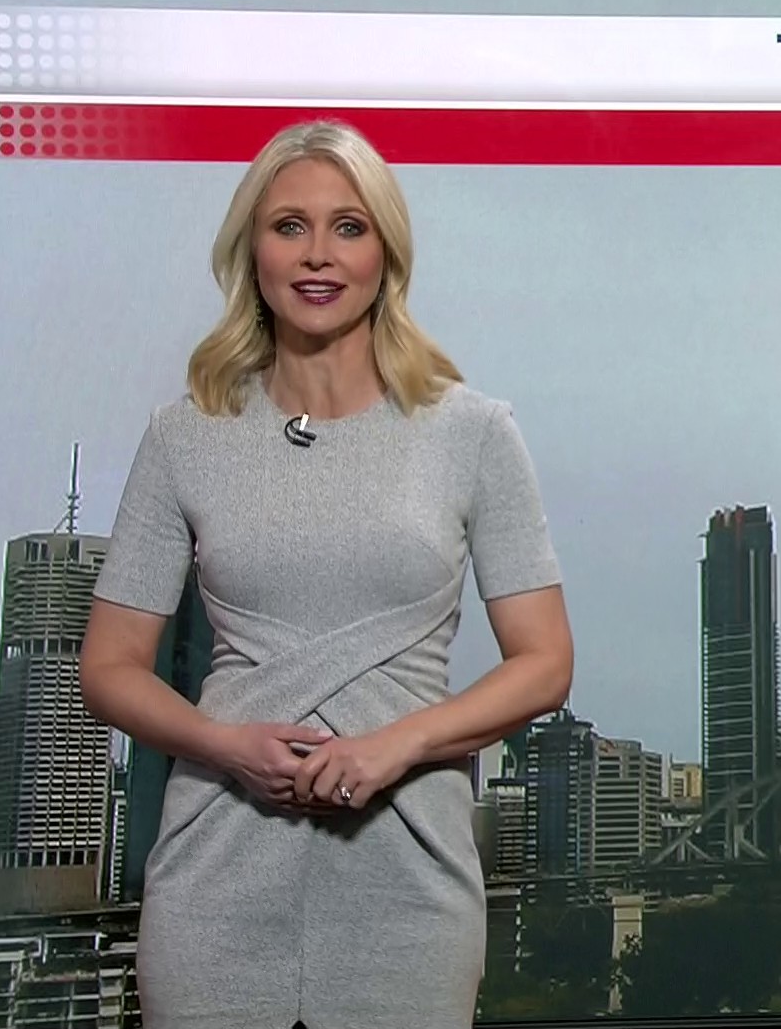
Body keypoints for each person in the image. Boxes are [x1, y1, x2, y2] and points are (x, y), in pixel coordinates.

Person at [79, 119, 574, 1029]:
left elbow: (544, 663)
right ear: (252, 251)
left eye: (349, 227)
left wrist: (398, 746)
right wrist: (227, 747)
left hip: (410, 875)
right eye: (289, 227)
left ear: (387, 254)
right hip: (215, 869)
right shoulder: (183, 436)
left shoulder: (473, 433)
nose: (318, 255)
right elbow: (108, 666)